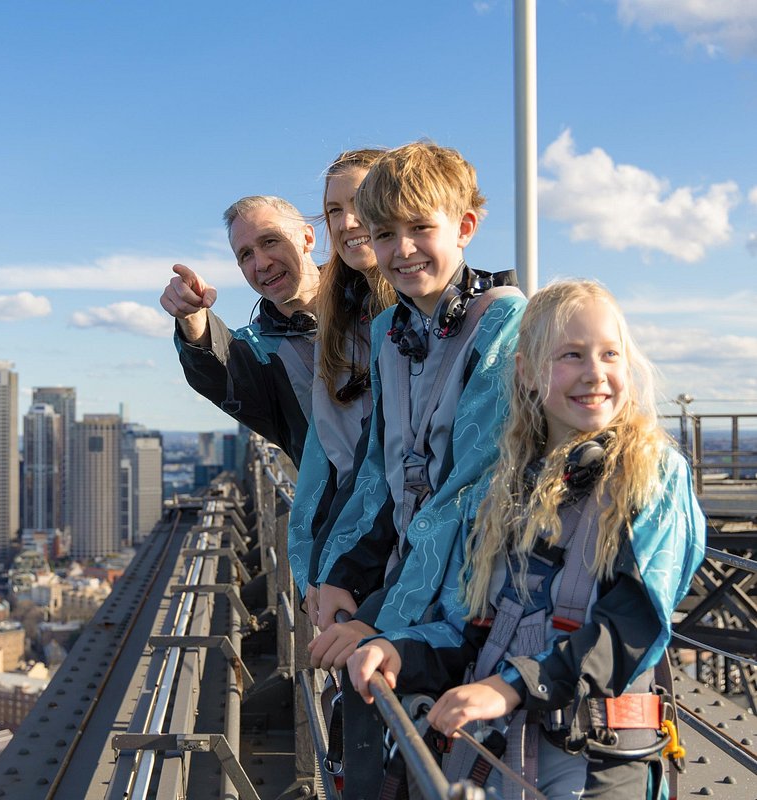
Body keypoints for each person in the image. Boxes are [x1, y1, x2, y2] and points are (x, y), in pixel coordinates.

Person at [347, 279, 705, 798]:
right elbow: (470, 627)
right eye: (571, 355)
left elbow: (630, 629)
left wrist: (511, 687)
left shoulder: (653, 476)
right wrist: (398, 650)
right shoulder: (500, 490)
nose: (595, 373)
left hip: (595, 755)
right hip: (495, 751)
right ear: (528, 373)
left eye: (610, 353)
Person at [309, 141, 525, 670]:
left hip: (479, 602)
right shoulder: (391, 331)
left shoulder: (502, 322)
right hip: (414, 590)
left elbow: (465, 489)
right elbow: (380, 470)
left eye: (420, 228)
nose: (403, 250)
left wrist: (381, 618)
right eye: (385, 234)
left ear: (465, 227)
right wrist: (343, 575)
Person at [286, 149, 397, 622]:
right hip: (356, 553)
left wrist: (332, 567)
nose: (348, 221)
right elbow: (329, 459)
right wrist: (317, 565)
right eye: (334, 209)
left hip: (400, 556)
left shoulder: (430, 317)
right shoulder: (343, 314)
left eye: (361, 202)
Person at [160, 196, 320, 465]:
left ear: (307, 238)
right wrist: (194, 316)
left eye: (270, 241)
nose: (261, 264)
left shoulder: (375, 300)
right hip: (341, 505)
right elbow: (218, 366)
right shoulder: (258, 353)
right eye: (246, 255)